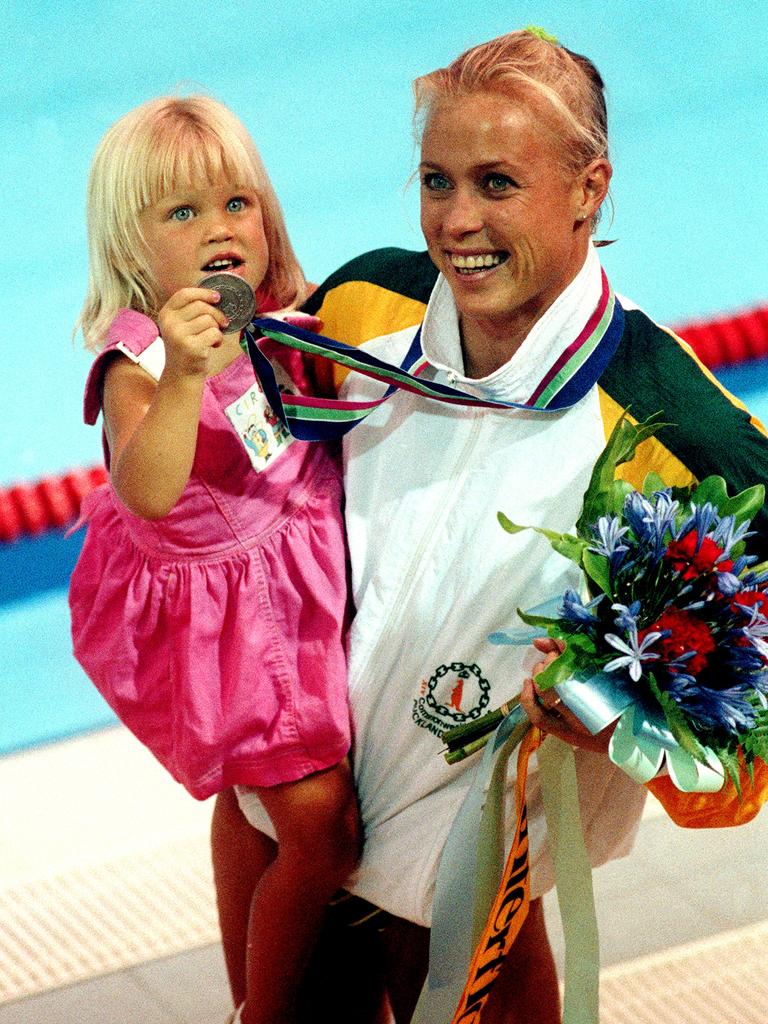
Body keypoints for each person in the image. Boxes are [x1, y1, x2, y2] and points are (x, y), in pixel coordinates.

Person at [215, 29, 768, 1024]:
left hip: (461, 889)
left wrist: (613, 716)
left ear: (588, 188)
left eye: (498, 183)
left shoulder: (678, 436)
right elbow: (247, 496)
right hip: (284, 825)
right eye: (437, 179)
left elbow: (740, 752)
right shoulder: (363, 303)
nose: (456, 221)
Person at [68, 95, 360, 1024]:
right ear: (130, 249)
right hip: (231, 626)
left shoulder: (275, 318)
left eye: (236, 204)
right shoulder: (140, 362)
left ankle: (255, 980)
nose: (219, 230)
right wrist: (187, 374)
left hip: (296, 587)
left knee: (250, 805)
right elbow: (145, 489)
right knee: (322, 829)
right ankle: (263, 1009)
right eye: (181, 214)